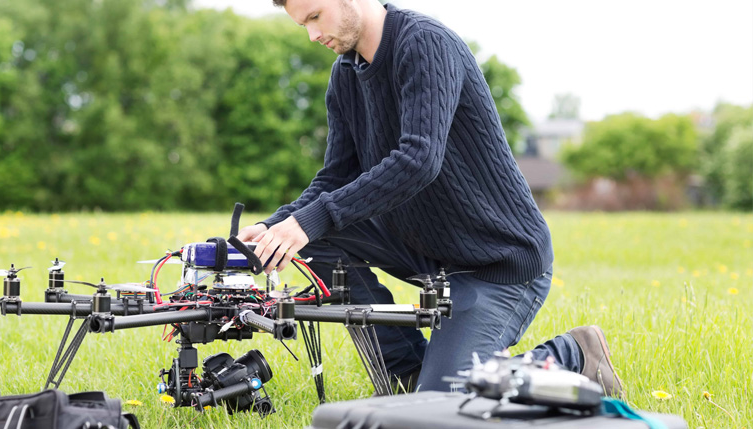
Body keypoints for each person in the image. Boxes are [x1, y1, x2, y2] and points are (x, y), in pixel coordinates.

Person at [236, 0, 624, 396]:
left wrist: (308, 219)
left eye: (315, 17)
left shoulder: (424, 43)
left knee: (441, 410)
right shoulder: (345, 74)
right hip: (430, 252)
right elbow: (335, 176)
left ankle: (575, 353)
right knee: (316, 236)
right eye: (303, 24)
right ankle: (406, 373)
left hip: (497, 260)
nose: (313, 35)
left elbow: (419, 160)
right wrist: (272, 228)